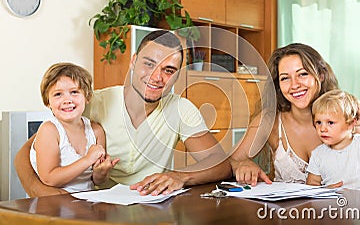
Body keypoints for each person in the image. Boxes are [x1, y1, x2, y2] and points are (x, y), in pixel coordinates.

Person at [15, 30, 231, 197]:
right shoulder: (92, 103)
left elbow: (219, 164)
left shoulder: (181, 109)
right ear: (134, 61)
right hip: (100, 210)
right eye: (149, 64)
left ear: (177, 76)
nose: (157, 77)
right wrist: (42, 193)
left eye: (168, 70)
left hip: (152, 207)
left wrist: (179, 177)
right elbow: (25, 153)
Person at [230, 43, 360, 193]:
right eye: (285, 78)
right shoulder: (269, 121)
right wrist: (244, 164)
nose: (295, 84)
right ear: (278, 86)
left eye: (302, 74)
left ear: (321, 76)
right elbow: (235, 159)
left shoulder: (345, 126)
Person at [30, 62, 118, 193]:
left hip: (87, 204)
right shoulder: (49, 130)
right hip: (54, 205)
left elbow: (97, 181)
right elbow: (49, 178)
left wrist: (101, 172)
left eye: (74, 92)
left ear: (87, 97)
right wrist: (87, 160)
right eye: (58, 94)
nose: (67, 100)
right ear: (48, 101)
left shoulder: (96, 131)